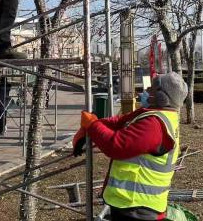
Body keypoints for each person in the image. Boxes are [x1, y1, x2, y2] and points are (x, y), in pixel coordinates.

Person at [72, 72, 188, 221]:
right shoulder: (156, 114)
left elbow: (116, 146)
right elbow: (120, 121)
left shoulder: (154, 124)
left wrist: (93, 126)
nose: (146, 90)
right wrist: (93, 126)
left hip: (137, 206)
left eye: (152, 88)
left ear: (161, 97)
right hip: (132, 203)